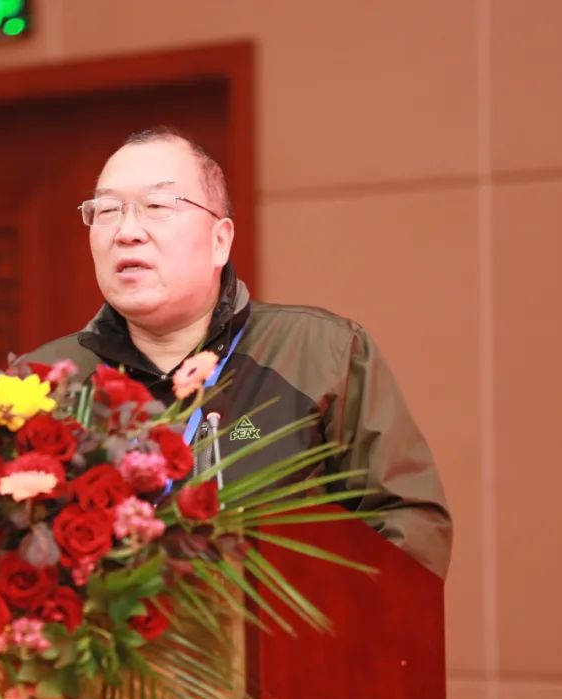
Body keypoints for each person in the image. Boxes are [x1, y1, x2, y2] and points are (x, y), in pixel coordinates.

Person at [23, 127, 451, 578]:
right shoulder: (42, 384)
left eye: (157, 206)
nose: (127, 231)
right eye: (108, 210)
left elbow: (409, 524)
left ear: (220, 240)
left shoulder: (322, 354)